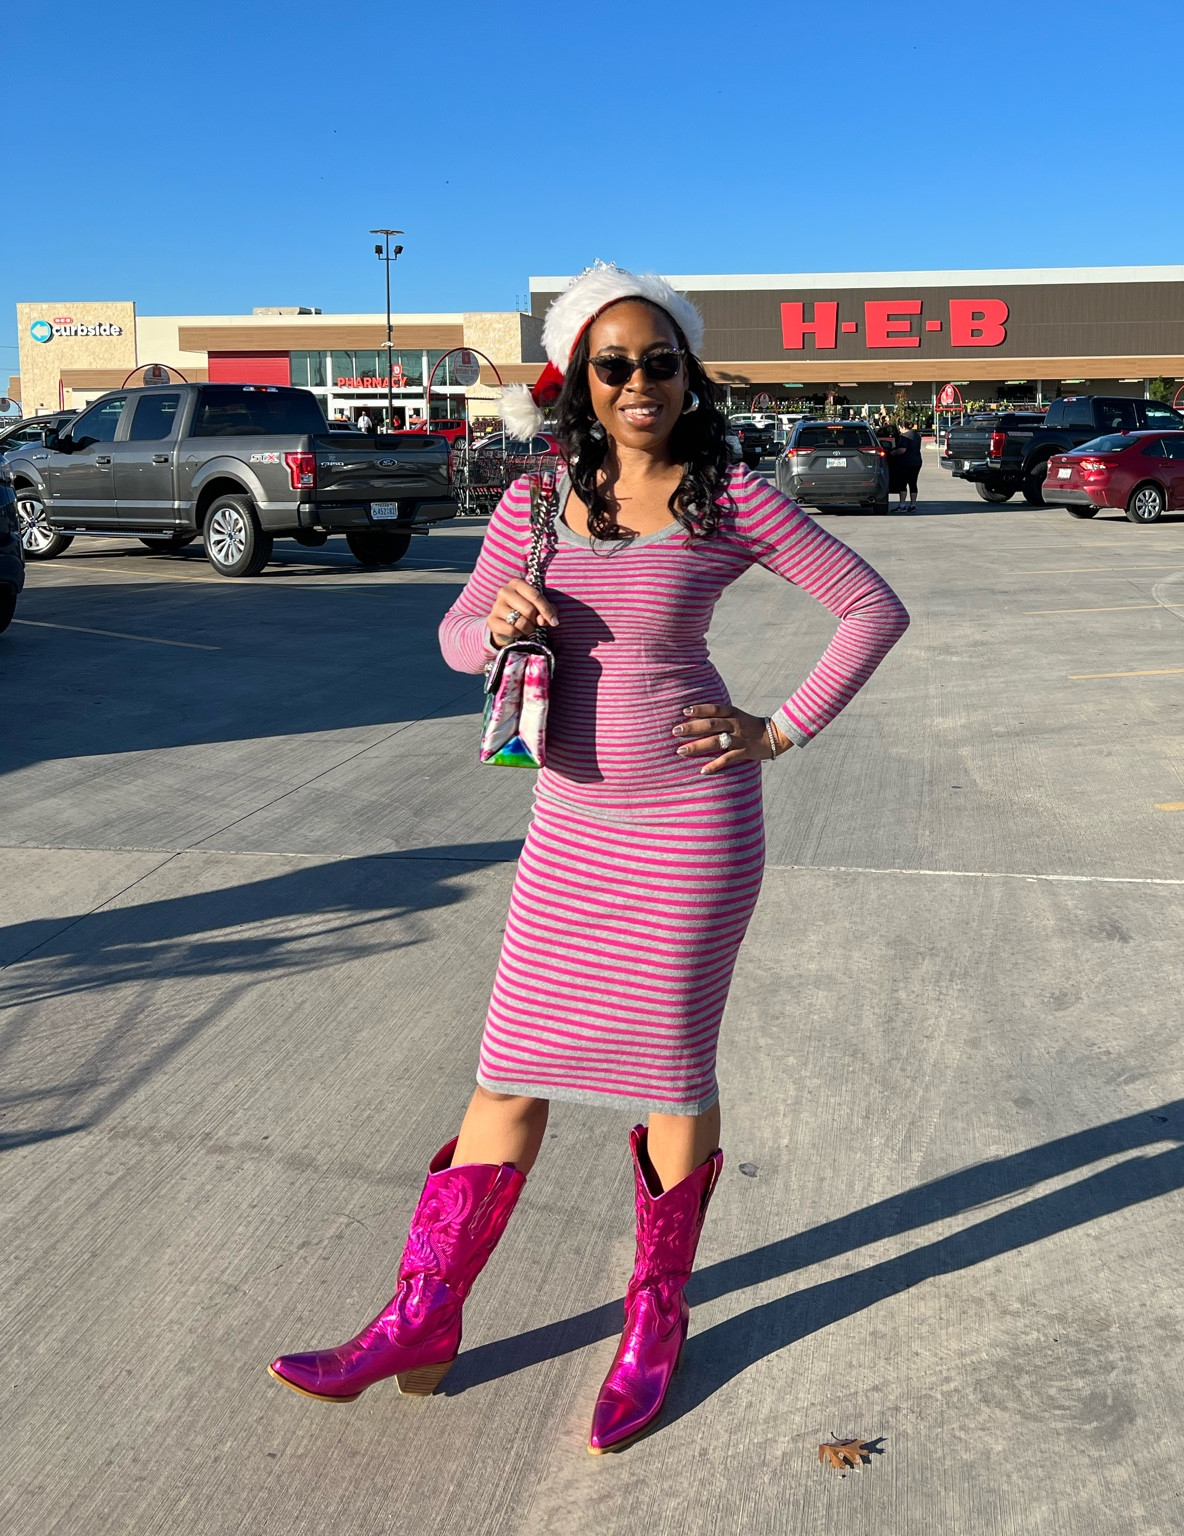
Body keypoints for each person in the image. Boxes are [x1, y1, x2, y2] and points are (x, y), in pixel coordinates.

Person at [268, 264, 910, 1452]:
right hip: (568, 830)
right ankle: (423, 1315)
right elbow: (458, 637)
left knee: (671, 1076)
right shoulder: (533, 501)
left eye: (660, 361)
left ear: (689, 374)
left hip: (693, 831)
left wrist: (777, 729)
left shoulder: (732, 499)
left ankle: (654, 1321)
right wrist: (497, 622)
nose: (639, 383)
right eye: (613, 364)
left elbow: (871, 608)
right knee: (508, 1070)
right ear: (579, 380)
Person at [893, 421, 924, 509]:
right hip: (917, 462)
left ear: (903, 427)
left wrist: (894, 452)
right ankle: (913, 505)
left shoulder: (904, 436)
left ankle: (902, 505)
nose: (899, 430)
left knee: (903, 484)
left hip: (906, 463)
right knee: (913, 483)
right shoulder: (917, 435)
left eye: (899, 428)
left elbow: (902, 450)